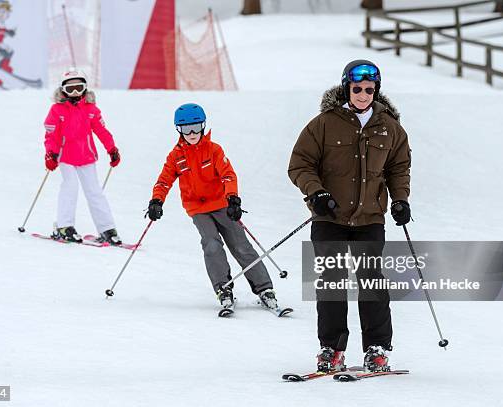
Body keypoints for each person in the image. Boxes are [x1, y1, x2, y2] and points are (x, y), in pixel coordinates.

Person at [288, 60, 412, 372]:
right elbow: (300, 163)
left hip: (370, 219)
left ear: (376, 91)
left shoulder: (390, 128)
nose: (363, 94)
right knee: (331, 283)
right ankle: (331, 348)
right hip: (329, 218)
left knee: (371, 283)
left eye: (370, 89)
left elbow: (399, 168)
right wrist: (316, 193)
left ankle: (377, 349)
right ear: (347, 88)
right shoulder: (324, 123)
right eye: (357, 88)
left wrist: (400, 200)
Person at [147, 103, 279, 311]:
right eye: (185, 129)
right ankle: (223, 289)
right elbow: (164, 181)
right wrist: (156, 201)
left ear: (203, 126)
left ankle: (264, 288)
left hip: (221, 204)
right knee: (211, 244)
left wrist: (233, 198)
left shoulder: (214, 149)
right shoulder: (176, 156)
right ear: (178, 130)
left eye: (195, 127)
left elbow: (228, 175)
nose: (191, 133)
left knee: (241, 245)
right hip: (197, 208)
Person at [43, 69, 122, 245]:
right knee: (70, 188)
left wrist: (112, 149)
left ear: (85, 88)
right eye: (70, 89)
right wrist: (51, 153)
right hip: (65, 157)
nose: (75, 92)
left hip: (86, 156)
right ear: (62, 90)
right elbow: (51, 135)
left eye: (79, 87)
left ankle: (108, 229)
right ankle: (65, 226)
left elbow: (101, 131)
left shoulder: (91, 109)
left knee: (94, 191)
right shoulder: (57, 110)